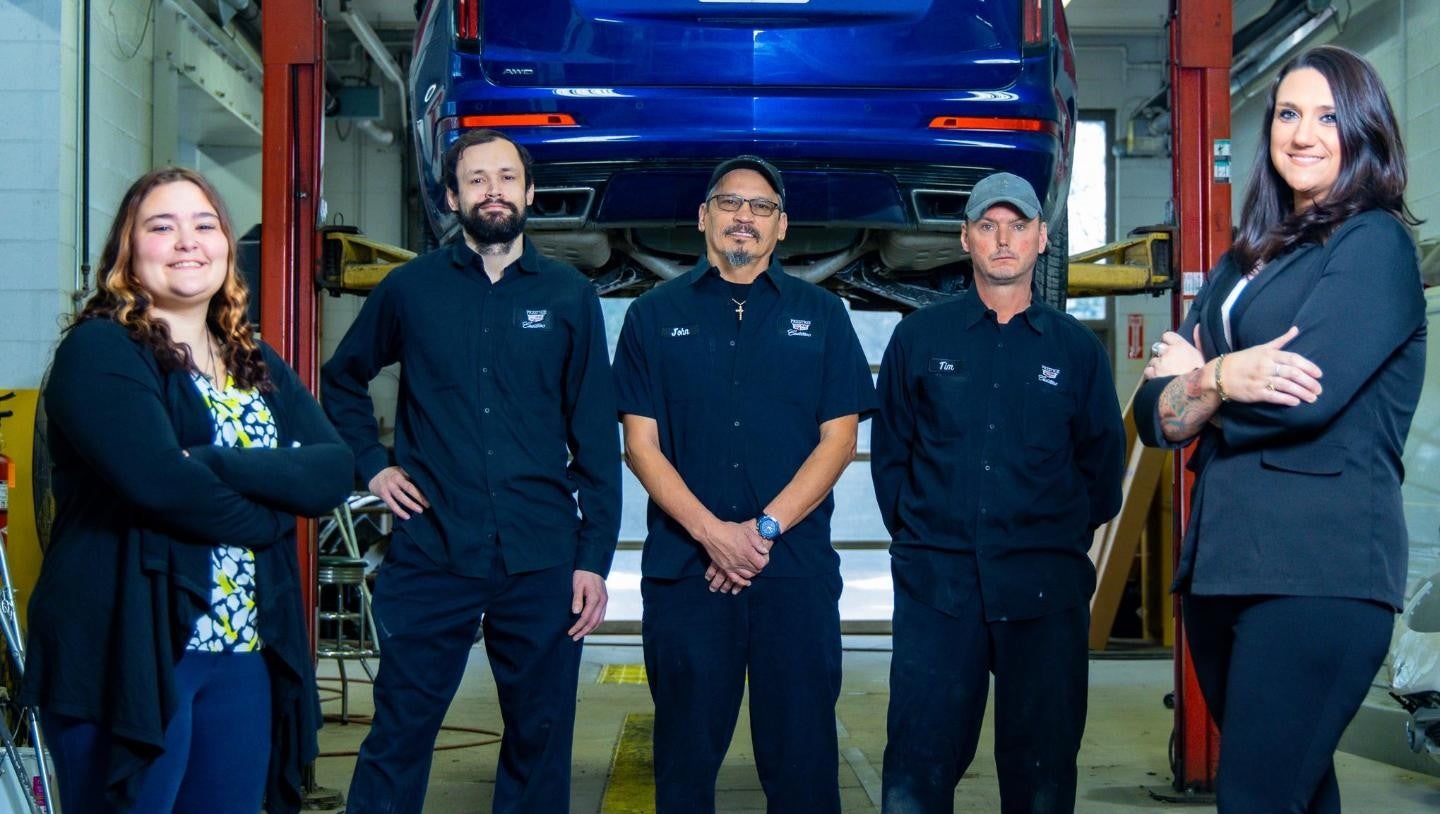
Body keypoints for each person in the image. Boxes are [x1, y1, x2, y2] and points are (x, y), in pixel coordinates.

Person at [1138, 45, 1426, 812]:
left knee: (1258, 798)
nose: (1304, 134)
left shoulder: (1373, 244)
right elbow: (1151, 419)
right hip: (1223, 570)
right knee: (1296, 794)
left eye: (1329, 116)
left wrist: (1200, 381)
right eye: (1289, 114)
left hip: (1316, 573)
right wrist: (1221, 376)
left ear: (1363, 130)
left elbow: (1306, 398)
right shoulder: (1244, 263)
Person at [21, 167, 354, 813]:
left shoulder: (252, 358)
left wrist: (208, 459)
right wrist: (269, 517)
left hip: (242, 649)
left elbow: (332, 472)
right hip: (131, 651)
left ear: (226, 246)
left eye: (204, 225)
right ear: (127, 249)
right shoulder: (101, 351)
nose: (186, 241)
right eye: (161, 226)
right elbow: (159, 483)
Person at [322, 129, 621, 814]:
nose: (494, 190)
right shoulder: (410, 290)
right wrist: (372, 467)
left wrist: (594, 559)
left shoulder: (570, 296)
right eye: (477, 179)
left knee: (539, 742)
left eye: (507, 178)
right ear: (453, 197)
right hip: (431, 552)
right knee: (399, 732)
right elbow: (343, 379)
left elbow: (596, 438)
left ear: (530, 193)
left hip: (541, 557)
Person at [612, 155, 876, 813]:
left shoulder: (823, 316)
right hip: (686, 576)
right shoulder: (651, 316)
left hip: (793, 575)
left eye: (760, 208)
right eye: (730, 203)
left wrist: (758, 535)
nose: (743, 218)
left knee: (804, 769)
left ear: (781, 227)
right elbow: (640, 447)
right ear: (703, 217)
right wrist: (714, 538)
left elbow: (840, 442)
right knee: (683, 770)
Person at [871, 171, 1126, 813]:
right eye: (988, 226)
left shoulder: (1076, 353)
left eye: (1018, 226)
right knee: (917, 770)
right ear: (966, 239)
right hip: (940, 592)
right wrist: (924, 541)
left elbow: (1102, 475)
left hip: (1043, 593)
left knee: (1041, 772)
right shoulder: (921, 340)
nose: (1003, 239)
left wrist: (1052, 546)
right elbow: (891, 456)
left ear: (1043, 239)